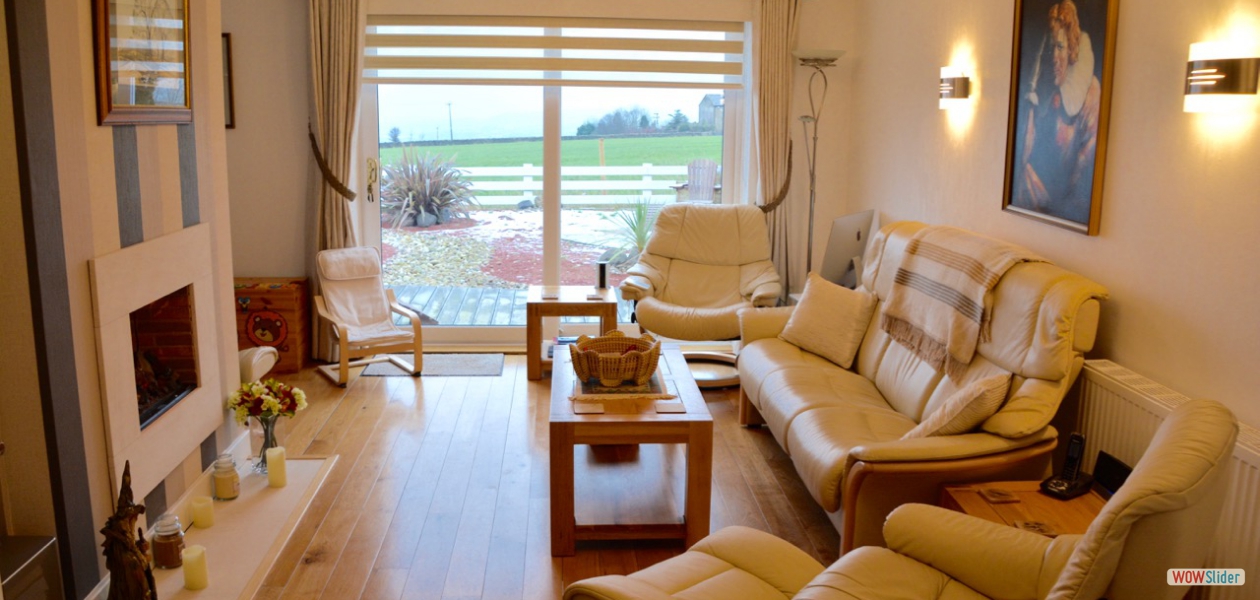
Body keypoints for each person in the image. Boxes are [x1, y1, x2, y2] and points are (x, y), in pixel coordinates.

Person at [1015, 0, 1102, 224]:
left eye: (1061, 47)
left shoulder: (1090, 93)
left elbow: (1085, 173)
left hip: (1066, 210)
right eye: (1050, 47)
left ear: (1072, 50)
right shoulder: (1040, 94)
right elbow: (1022, 159)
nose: (1054, 56)